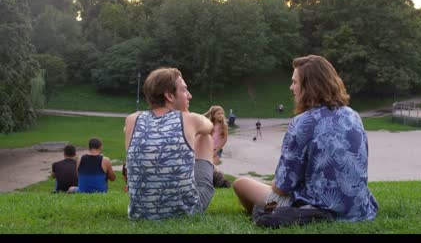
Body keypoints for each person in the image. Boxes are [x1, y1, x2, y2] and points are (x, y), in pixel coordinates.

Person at [232, 55, 378, 227]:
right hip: (357, 208)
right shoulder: (353, 115)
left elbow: (281, 187)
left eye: (295, 82)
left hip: (315, 208)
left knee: (241, 184)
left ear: (309, 86)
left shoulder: (303, 122)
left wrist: (277, 183)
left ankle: (266, 212)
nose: (291, 87)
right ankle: (269, 210)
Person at [124, 67, 215, 220]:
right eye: (184, 90)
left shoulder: (132, 120)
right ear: (169, 96)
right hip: (186, 213)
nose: (190, 96)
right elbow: (210, 127)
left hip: (140, 215)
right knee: (205, 137)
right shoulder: (190, 119)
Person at [203, 105, 231, 188]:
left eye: (222, 113)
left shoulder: (224, 126)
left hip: (217, 150)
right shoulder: (209, 124)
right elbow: (200, 117)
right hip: (207, 149)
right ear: (213, 115)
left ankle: (213, 183)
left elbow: (225, 139)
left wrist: (216, 150)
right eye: (218, 113)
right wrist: (209, 112)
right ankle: (208, 183)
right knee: (206, 167)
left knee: (212, 167)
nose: (221, 115)